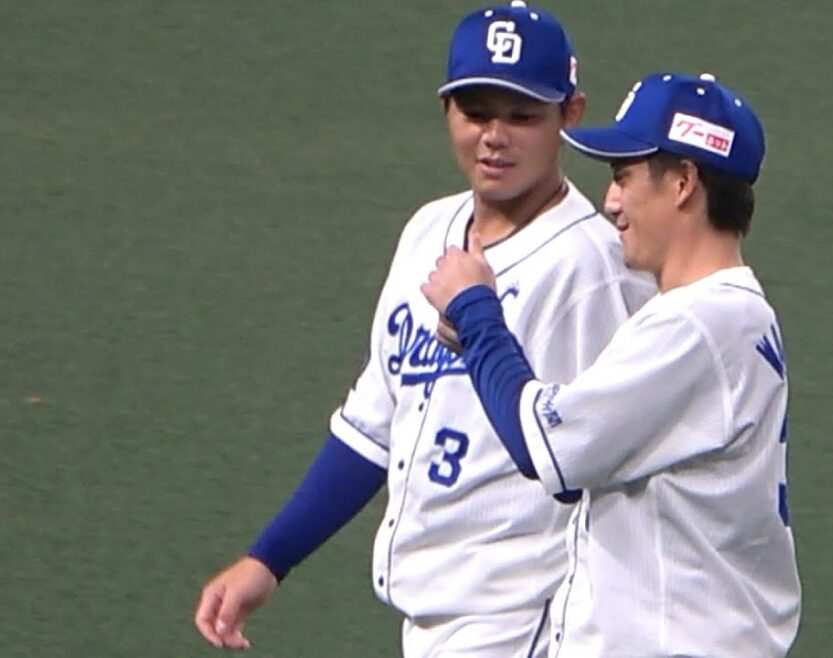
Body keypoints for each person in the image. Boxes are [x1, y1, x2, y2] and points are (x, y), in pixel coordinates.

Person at [193, 3, 652, 656]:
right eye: (476, 112)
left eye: (522, 115)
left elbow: (595, 460)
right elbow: (372, 426)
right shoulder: (428, 231)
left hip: (528, 616)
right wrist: (270, 558)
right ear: (446, 110)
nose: (495, 136)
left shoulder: (591, 270)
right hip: (441, 618)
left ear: (569, 115)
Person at [421, 71, 802, 656]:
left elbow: (546, 446)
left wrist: (476, 312)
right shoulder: (728, 315)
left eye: (624, 176)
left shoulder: (698, 323)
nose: (611, 202)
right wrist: (479, 337)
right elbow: (578, 459)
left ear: (683, 182)